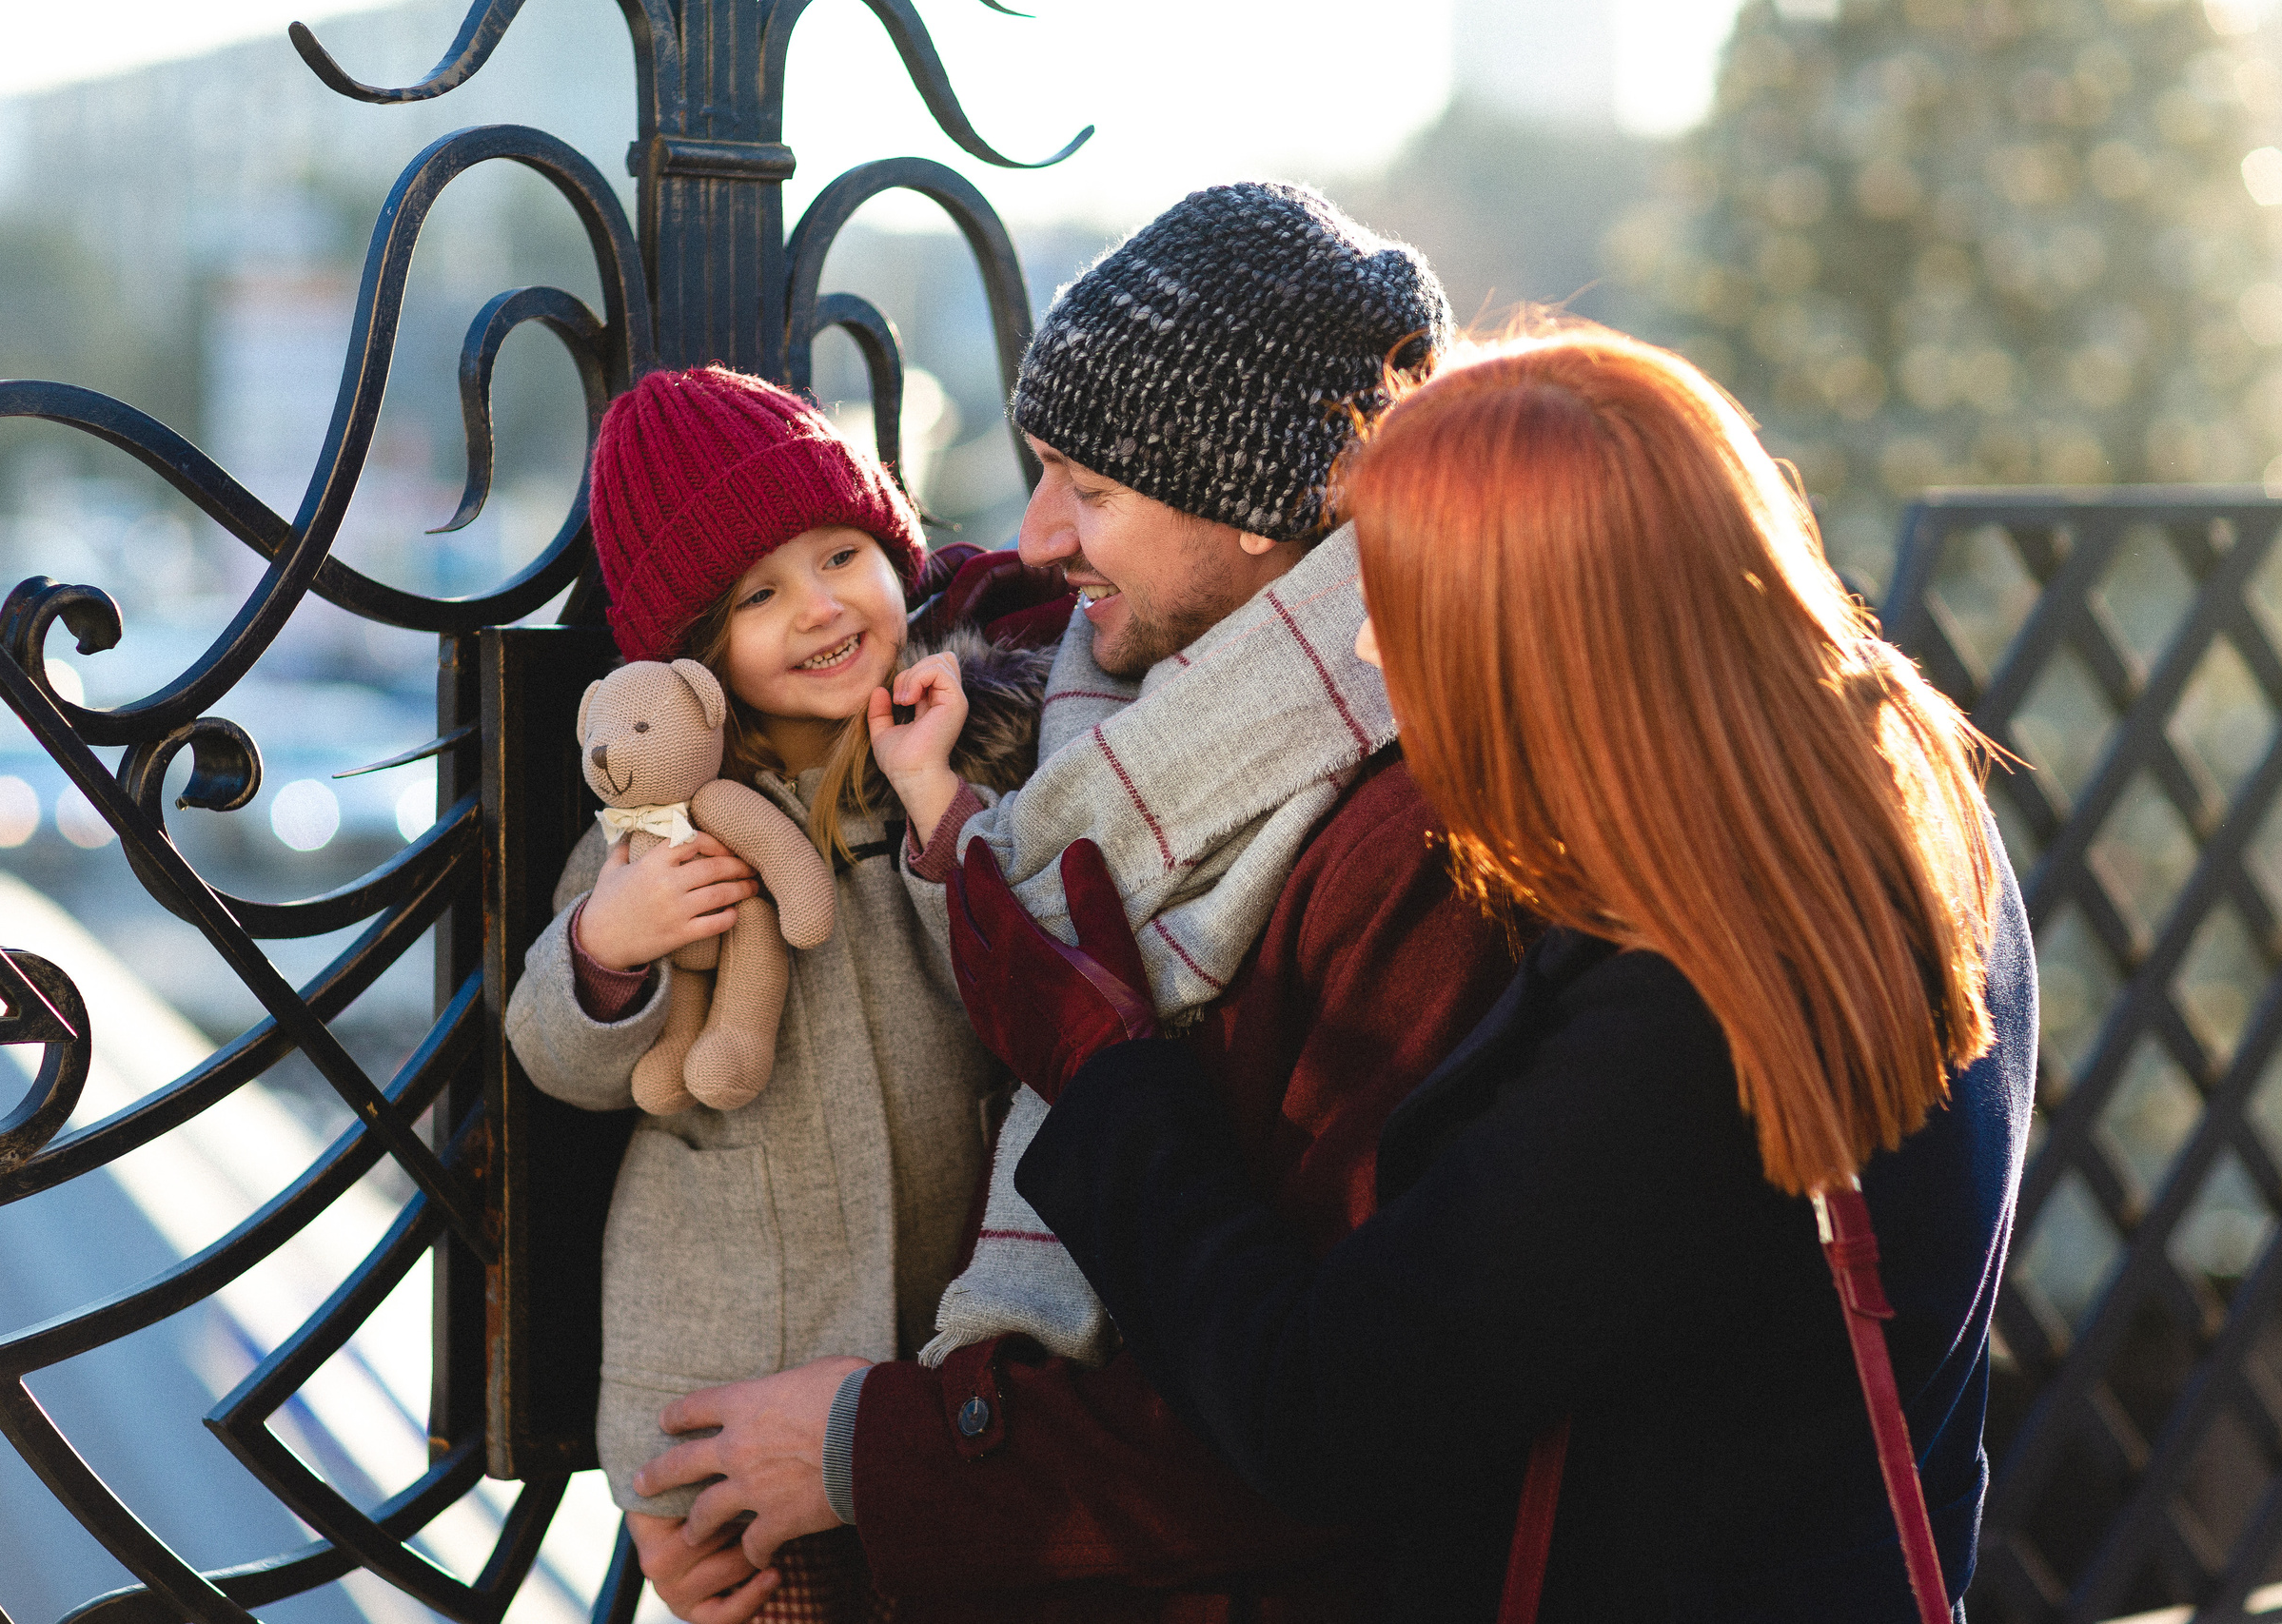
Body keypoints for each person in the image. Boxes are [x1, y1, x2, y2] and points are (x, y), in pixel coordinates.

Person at [953, 322, 2038, 1620]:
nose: (1368, 653)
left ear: (1550, 629)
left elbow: (1327, 1411)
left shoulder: (1694, 1007)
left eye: (1404, 604)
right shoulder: (1877, 801)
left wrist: (1105, 1074)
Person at [632, 183, 1522, 1623]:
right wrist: (756, 1485)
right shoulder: (1117, 703)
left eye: (1091, 488)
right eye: (1042, 470)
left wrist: (865, 1457)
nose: (1040, 531)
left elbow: (1321, 1417)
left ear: (1265, 511)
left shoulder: (1414, 838)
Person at [502, 364, 1058, 1621]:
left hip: (929, 1371)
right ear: (697, 660)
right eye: (758, 595)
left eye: (840, 553)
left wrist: (931, 804)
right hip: (724, 1390)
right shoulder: (655, 831)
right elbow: (556, 1057)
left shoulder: (961, 741)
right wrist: (607, 944)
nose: (819, 607)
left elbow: (1013, 979)